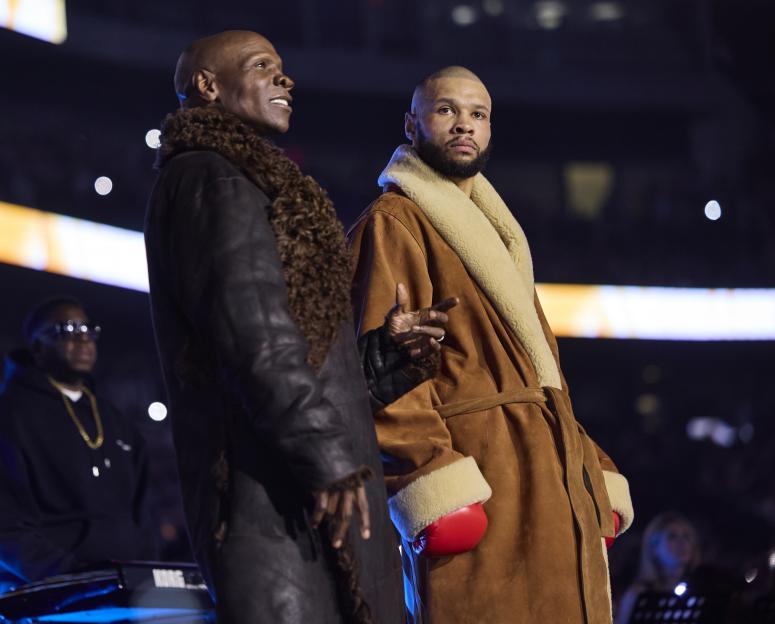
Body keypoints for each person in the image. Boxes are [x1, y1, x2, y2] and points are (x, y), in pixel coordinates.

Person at [145, 30, 454, 624]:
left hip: (298, 485)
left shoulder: (252, 185)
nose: (286, 80)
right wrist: (327, 458)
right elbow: (255, 342)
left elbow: (299, 357)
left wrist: (386, 353)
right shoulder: (213, 178)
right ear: (208, 86)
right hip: (273, 497)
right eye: (263, 67)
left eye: (283, 68)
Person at [348, 66, 636, 623]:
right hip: (480, 480)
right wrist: (432, 478)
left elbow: (542, 375)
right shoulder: (394, 223)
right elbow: (377, 376)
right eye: (447, 110)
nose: (465, 125)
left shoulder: (497, 234)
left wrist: (587, 470)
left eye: (478, 114)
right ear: (412, 124)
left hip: (544, 484)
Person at [0, 297, 157, 590]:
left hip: (126, 587)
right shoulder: (10, 414)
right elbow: (6, 525)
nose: (83, 338)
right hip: (48, 592)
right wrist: (71, 578)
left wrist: (146, 572)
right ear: (36, 346)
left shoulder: (115, 420)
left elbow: (144, 513)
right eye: (67, 329)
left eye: (88, 329)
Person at [615, 512, 700, 624]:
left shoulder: (700, 591)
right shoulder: (637, 594)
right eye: (672, 536)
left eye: (686, 536)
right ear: (654, 547)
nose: (682, 542)